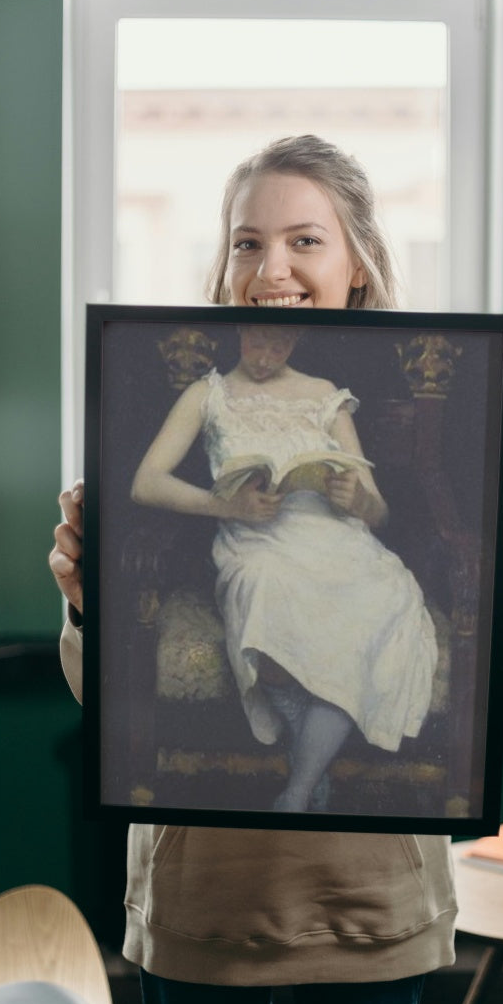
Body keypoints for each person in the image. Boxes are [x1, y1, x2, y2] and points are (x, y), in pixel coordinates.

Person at [50, 135, 503, 1004]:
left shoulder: (343, 390)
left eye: (304, 240)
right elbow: (103, 692)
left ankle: (304, 771)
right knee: (273, 589)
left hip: (365, 891)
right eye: (246, 242)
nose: (269, 269)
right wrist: (90, 603)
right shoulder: (200, 384)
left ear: (357, 262)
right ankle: (288, 710)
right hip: (207, 891)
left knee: (381, 600)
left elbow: (381, 500)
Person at [129, 321, 439, 813]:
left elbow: (379, 511)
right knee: (264, 591)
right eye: (257, 340)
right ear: (239, 333)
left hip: (337, 543)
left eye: (281, 342)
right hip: (257, 542)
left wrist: (357, 497)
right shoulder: (207, 394)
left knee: (380, 602)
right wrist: (227, 507)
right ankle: (309, 761)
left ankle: (297, 790)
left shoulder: (325, 398)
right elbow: (146, 483)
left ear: (296, 340)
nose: (267, 354)